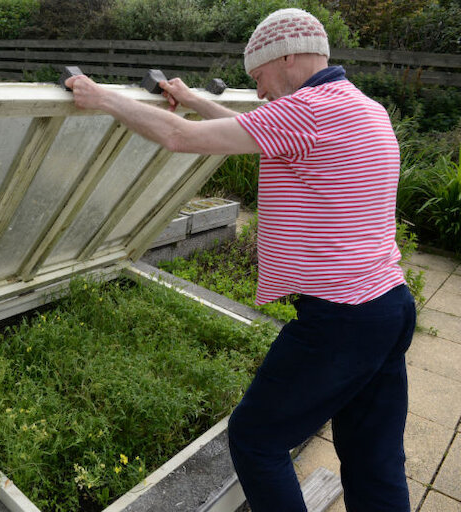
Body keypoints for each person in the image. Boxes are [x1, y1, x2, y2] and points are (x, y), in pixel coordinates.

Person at [66, 8, 415, 512]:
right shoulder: (359, 106)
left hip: (341, 320)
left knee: (255, 438)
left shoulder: (309, 109)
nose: (262, 93)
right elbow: (254, 128)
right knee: (373, 458)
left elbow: (179, 138)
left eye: (259, 78)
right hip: (389, 307)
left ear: (287, 56)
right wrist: (190, 98)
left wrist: (103, 98)